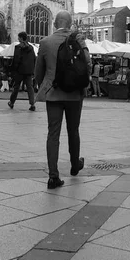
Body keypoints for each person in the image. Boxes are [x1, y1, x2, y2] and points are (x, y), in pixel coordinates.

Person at [35, 10, 91, 189]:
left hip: (54, 93)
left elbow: (38, 72)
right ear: (71, 24)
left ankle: (53, 176)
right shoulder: (79, 40)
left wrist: (45, 85)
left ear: (54, 24)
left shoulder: (45, 42)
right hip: (75, 94)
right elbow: (88, 64)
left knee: (53, 134)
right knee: (73, 130)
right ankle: (75, 164)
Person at [8, 31, 37, 111]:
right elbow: (34, 59)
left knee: (16, 87)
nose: (18, 38)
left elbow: (16, 60)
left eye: (18, 37)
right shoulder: (31, 48)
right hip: (29, 71)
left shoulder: (18, 47)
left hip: (20, 71)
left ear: (21, 38)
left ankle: (12, 102)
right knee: (30, 88)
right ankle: (32, 104)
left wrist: (14, 69)